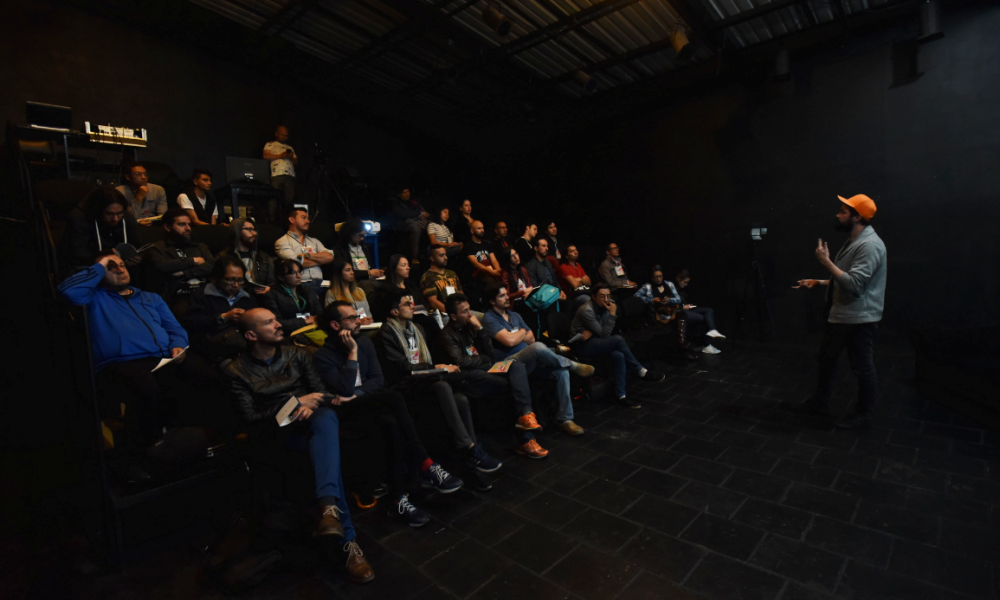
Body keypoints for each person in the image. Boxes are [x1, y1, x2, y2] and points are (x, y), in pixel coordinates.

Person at [223, 308, 374, 584]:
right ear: (251, 334)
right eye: (269, 323)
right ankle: (344, 537)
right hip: (276, 435)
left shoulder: (298, 354)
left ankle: (330, 514)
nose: (279, 325)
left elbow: (323, 394)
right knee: (326, 453)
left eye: (276, 319)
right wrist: (293, 406)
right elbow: (249, 419)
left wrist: (310, 404)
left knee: (326, 417)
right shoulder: (235, 371)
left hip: (312, 423)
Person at [314, 300, 468, 517]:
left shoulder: (365, 343)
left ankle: (398, 497)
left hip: (367, 400)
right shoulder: (323, 356)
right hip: (347, 413)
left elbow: (377, 379)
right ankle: (426, 464)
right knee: (394, 397)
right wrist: (352, 352)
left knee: (392, 422)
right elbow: (344, 387)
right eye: (351, 318)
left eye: (356, 316)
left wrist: (356, 394)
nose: (358, 321)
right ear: (335, 325)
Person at [59, 253, 190, 482]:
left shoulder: (150, 297)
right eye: (112, 267)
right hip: (120, 363)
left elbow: (175, 329)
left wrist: (178, 346)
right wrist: (100, 265)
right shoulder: (94, 298)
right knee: (146, 390)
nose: (120, 270)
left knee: (204, 375)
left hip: (161, 358)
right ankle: (134, 460)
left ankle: (184, 448)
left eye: (122, 265)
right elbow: (68, 291)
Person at [378, 289, 502, 470]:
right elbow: (403, 367)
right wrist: (435, 367)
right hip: (404, 385)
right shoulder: (387, 333)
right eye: (406, 304)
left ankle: (472, 450)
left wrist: (434, 368)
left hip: (426, 378)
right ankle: (469, 448)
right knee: (445, 384)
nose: (412, 306)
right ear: (394, 311)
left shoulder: (418, 329)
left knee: (460, 398)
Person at [794, 194, 887, 430]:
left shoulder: (870, 245)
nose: (838, 214)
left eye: (843, 211)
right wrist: (820, 282)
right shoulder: (854, 240)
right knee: (826, 360)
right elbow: (845, 277)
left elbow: (855, 285)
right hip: (842, 316)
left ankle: (864, 414)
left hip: (858, 319)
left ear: (857, 217)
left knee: (862, 367)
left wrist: (825, 262)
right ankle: (820, 402)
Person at [434, 293, 549, 459]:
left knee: (516, 365)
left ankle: (526, 414)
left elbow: (490, 352)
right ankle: (525, 440)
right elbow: (461, 362)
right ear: (452, 316)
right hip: (468, 377)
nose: (469, 315)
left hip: (485, 368)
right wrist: (483, 360)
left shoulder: (471, 328)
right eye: (464, 311)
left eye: (469, 310)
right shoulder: (446, 335)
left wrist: (480, 329)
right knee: (513, 387)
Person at [481, 284, 593, 440]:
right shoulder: (489, 318)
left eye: (507, 294)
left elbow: (531, 337)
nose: (507, 297)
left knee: (560, 372)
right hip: (508, 364)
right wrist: (521, 332)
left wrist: (517, 336)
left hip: (528, 360)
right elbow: (509, 341)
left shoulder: (514, 316)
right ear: (492, 301)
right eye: (502, 295)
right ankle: (573, 365)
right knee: (538, 347)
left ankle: (565, 419)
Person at [571, 283, 664, 409]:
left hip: (596, 340)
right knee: (618, 339)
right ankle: (640, 371)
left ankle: (621, 396)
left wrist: (592, 330)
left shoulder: (606, 305)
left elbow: (602, 332)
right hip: (583, 346)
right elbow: (605, 334)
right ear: (593, 297)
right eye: (602, 296)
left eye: (608, 296)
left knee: (619, 355)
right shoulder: (587, 310)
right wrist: (612, 314)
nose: (606, 299)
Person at [184, 255, 259, 358]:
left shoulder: (248, 298)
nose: (236, 285)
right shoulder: (201, 296)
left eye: (240, 280)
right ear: (217, 278)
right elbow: (192, 324)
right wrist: (223, 317)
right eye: (230, 280)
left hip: (245, 348)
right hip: (212, 350)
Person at [60, 187, 142, 271]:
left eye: (119, 213)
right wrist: (104, 257)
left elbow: (137, 245)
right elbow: (78, 253)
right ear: (98, 211)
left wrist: (136, 258)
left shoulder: (126, 216)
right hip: (88, 266)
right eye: (109, 214)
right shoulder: (79, 218)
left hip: (121, 267)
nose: (115, 219)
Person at [147, 208, 215, 302]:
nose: (188, 228)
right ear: (167, 227)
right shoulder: (158, 249)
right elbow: (162, 266)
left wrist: (184, 272)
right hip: (176, 298)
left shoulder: (199, 247)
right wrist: (193, 261)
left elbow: (213, 266)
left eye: (189, 224)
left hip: (204, 296)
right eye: (181, 224)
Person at [374, 254, 437, 336]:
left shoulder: (411, 285)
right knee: (429, 323)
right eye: (404, 265)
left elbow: (423, 303)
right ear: (394, 268)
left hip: (417, 317)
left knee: (431, 321)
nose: (408, 268)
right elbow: (384, 312)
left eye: (408, 265)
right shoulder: (385, 289)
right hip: (400, 321)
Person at [275, 207, 333, 294]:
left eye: (308, 218)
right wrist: (321, 261)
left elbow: (330, 257)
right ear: (292, 219)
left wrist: (307, 255)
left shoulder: (314, 241)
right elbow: (295, 264)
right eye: (303, 217)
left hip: (321, 283)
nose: (308, 221)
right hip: (301, 284)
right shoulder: (282, 242)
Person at [263, 259, 323, 336]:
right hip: (288, 334)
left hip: (312, 329)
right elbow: (277, 322)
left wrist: (316, 319)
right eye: (293, 273)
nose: (298, 276)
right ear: (281, 277)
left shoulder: (307, 290)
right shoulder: (272, 295)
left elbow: (320, 312)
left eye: (299, 272)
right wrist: (304, 321)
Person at [672, 269, 724, 354]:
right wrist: (683, 307)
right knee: (704, 318)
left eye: (687, 282)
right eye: (685, 282)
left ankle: (712, 330)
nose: (686, 284)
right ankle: (707, 345)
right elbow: (672, 305)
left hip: (687, 308)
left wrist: (688, 305)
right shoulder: (672, 287)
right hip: (680, 311)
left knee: (709, 310)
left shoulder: (682, 289)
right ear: (679, 279)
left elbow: (683, 300)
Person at [218, 217, 274, 294]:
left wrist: (269, 289)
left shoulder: (263, 256)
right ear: (237, 231)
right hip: (235, 296)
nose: (254, 233)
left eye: (254, 230)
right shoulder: (224, 257)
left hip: (262, 297)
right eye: (249, 229)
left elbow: (273, 281)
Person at [419, 246, 463, 324]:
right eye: (441, 255)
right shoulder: (428, 277)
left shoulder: (452, 273)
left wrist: (463, 308)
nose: (446, 258)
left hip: (459, 311)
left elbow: (460, 292)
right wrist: (453, 312)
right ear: (432, 258)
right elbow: (433, 302)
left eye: (445, 255)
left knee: (481, 317)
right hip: (444, 314)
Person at [464, 220, 502, 307]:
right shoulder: (469, 245)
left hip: (491, 272)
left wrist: (497, 269)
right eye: (479, 228)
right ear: (472, 231)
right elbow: (475, 263)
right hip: (478, 275)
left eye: (482, 228)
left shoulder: (487, 244)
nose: (482, 230)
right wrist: (491, 272)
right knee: (491, 282)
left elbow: (494, 260)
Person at [325, 259, 374, 325]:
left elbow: (368, 313)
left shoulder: (359, 291)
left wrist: (369, 319)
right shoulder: (331, 293)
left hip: (367, 326)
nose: (352, 273)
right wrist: (359, 322)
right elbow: (334, 319)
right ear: (338, 273)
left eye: (352, 270)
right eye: (347, 270)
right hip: (347, 330)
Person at [335, 217, 383, 281]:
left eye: (363, 236)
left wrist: (376, 272)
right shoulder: (340, 250)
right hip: (353, 283)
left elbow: (369, 267)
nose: (362, 238)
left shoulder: (364, 247)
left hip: (369, 280)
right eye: (360, 235)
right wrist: (368, 273)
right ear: (351, 233)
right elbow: (344, 273)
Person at [262, 125, 297, 213]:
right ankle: (271, 220)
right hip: (276, 175)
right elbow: (265, 156)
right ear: (276, 134)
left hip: (290, 175)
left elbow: (296, 162)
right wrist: (281, 156)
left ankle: (287, 219)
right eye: (282, 135)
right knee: (273, 198)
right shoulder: (270, 144)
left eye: (286, 136)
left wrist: (290, 157)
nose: (284, 137)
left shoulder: (290, 148)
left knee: (289, 198)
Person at [389, 186, 429, 264]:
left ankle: (430, 254)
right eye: (404, 192)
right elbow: (403, 214)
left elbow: (422, 211)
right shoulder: (395, 203)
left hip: (418, 221)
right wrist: (418, 213)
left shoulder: (413, 202)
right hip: (404, 224)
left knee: (430, 225)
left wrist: (424, 214)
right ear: (399, 194)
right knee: (416, 229)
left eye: (408, 192)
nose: (407, 194)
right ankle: (415, 257)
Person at [525, 237, 567, 302]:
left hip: (555, 292)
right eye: (543, 246)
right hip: (544, 297)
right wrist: (554, 296)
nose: (547, 248)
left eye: (547, 246)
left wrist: (561, 291)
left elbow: (555, 280)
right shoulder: (531, 265)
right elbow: (535, 286)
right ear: (536, 248)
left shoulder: (548, 263)